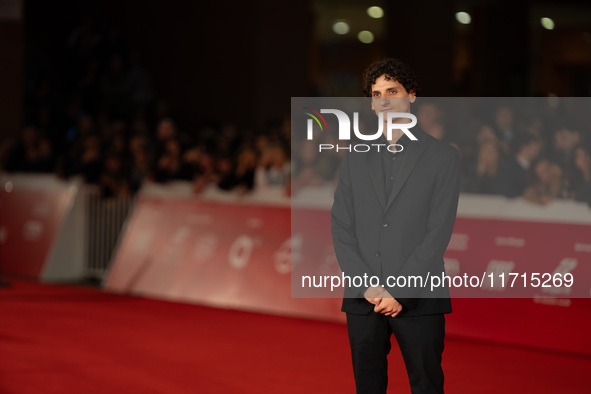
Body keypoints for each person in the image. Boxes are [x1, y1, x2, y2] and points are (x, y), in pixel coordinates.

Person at [331, 58, 460, 394]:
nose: (384, 100)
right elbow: (341, 226)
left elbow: (438, 231)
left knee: (426, 384)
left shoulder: (443, 157)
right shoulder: (355, 155)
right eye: (376, 93)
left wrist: (399, 290)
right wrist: (367, 286)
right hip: (364, 298)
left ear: (412, 96)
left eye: (392, 90)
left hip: (418, 296)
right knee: (367, 386)